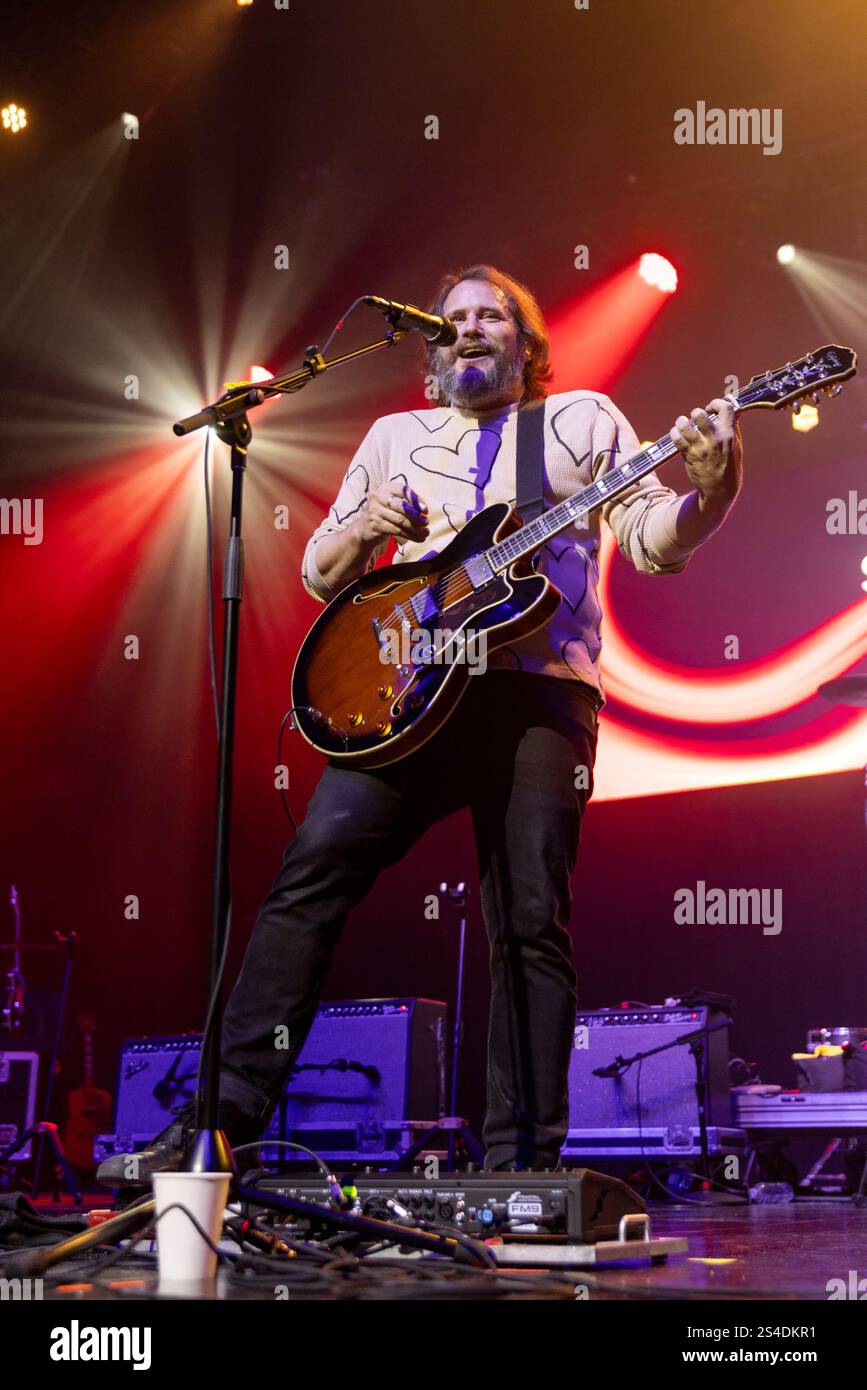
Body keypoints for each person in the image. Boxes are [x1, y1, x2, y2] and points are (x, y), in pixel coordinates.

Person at [99, 264, 741, 1185]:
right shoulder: (396, 435)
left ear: (526, 345)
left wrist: (711, 493)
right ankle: (219, 1127)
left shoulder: (584, 421)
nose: (469, 329)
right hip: (407, 692)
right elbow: (325, 572)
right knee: (309, 877)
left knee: (527, 918)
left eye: (492, 318)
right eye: (452, 320)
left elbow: (647, 541)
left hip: (535, 689)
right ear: (432, 349)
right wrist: (364, 522)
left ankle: (520, 1164)